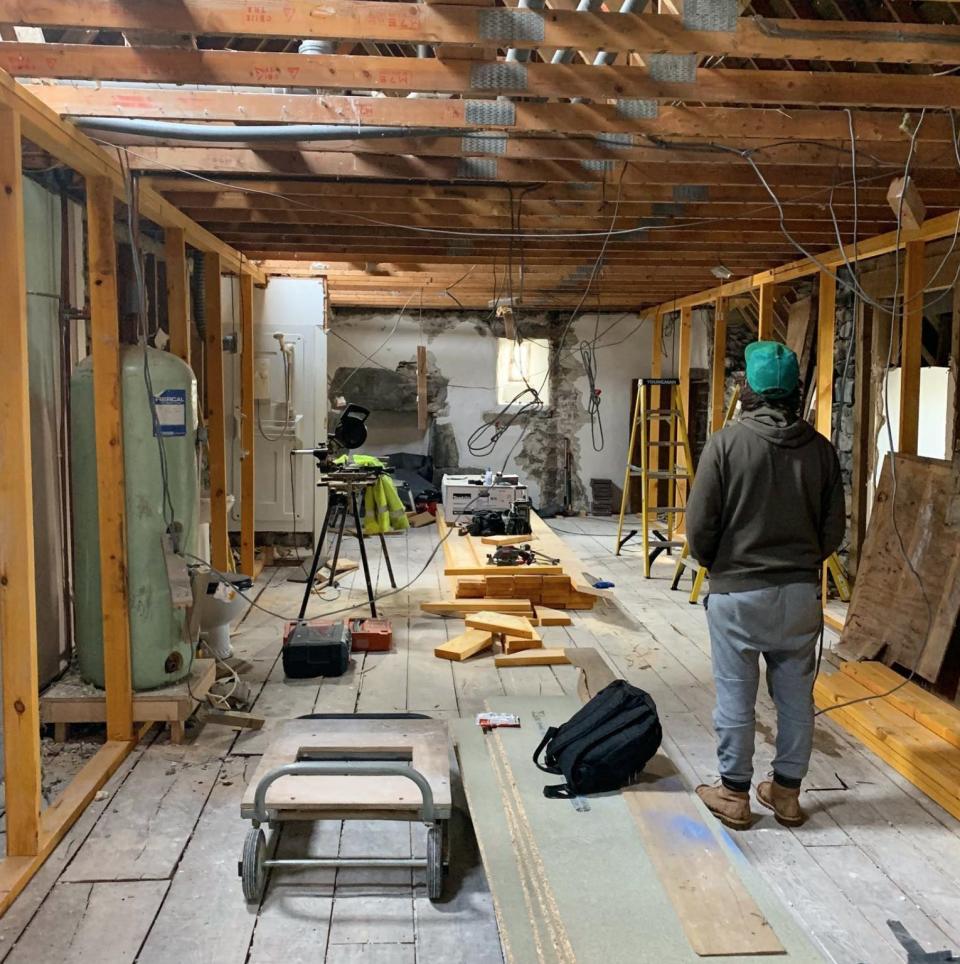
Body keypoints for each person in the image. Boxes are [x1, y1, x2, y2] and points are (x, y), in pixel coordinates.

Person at [685, 340, 845, 830]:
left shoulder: (725, 444)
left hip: (737, 595)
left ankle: (734, 795)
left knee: (736, 695)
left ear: (747, 389)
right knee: (796, 697)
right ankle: (788, 793)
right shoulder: (821, 451)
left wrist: (721, 567)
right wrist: (797, 565)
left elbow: (698, 528)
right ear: (796, 390)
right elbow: (833, 531)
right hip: (799, 597)